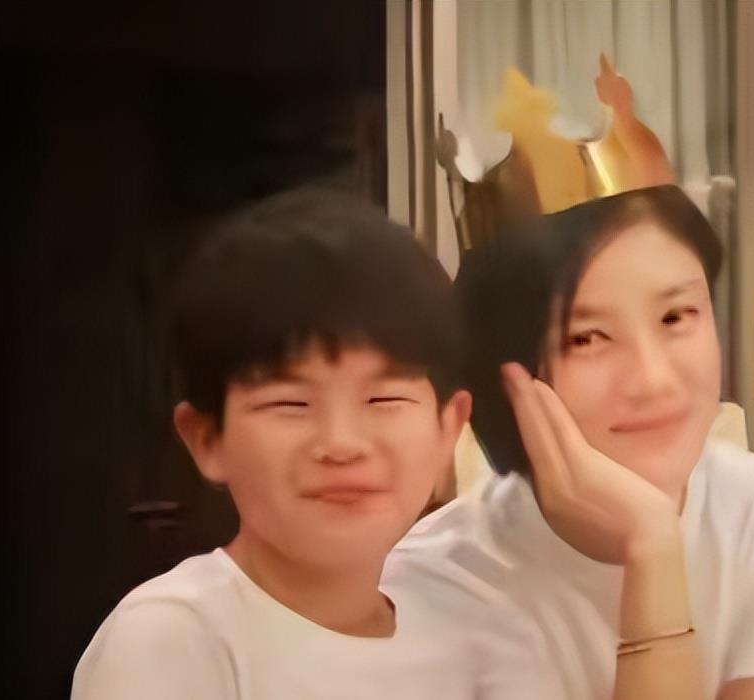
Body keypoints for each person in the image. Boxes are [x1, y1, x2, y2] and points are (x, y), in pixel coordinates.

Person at [72, 190, 544, 699]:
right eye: (290, 404)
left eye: (383, 399)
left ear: (447, 429)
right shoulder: (174, 640)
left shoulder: (481, 637)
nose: (341, 444)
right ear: (206, 439)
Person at [385, 184, 754, 699]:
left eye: (675, 317)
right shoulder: (433, 587)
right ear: (507, 372)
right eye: (586, 338)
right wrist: (652, 544)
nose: (654, 380)